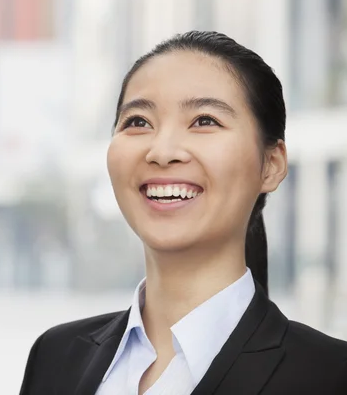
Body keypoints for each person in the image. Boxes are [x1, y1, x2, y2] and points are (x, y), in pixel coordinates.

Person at [19, 31, 347, 395]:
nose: (162, 151)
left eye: (205, 121)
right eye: (138, 122)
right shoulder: (56, 356)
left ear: (270, 164)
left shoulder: (329, 375)